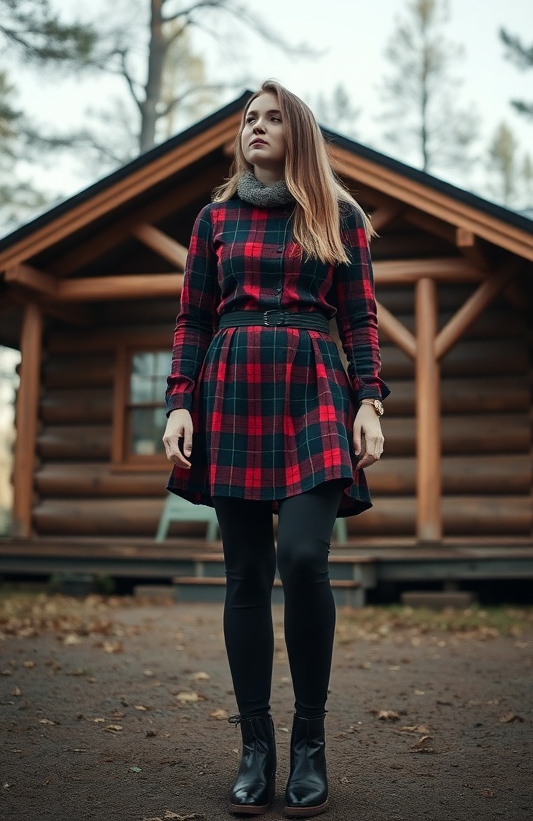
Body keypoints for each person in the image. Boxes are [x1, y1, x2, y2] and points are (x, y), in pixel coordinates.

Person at [163, 80, 389, 818]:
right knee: (247, 572)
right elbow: (192, 318)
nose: (255, 127)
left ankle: (310, 744)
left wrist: (370, 400)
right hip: (229, 392)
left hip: (313, 390)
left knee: (301, 556)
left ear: (298, 132)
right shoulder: (214, 220)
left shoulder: (337, 216)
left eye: (270, 118)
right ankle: (255, 747)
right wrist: (178, 403)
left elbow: (359, 321)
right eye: (248, 120)